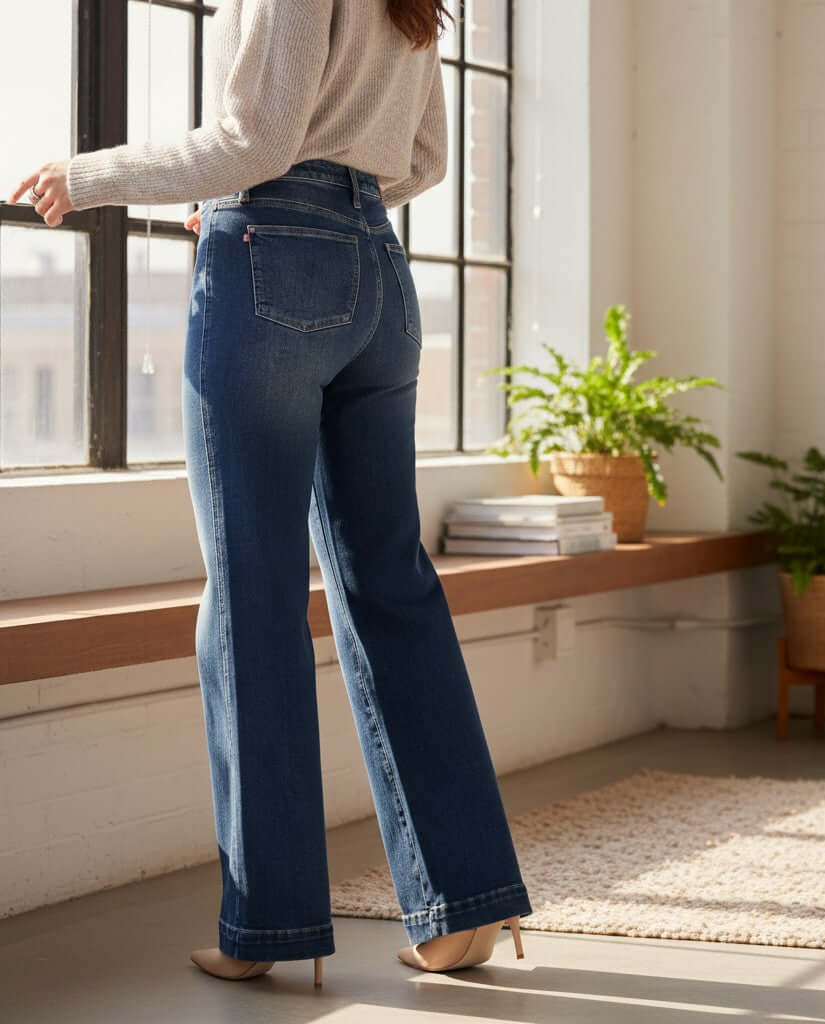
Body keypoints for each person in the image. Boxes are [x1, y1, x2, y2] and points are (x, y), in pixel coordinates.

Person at [8, 0, 532, 990]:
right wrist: (333, 201)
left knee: (255, 595)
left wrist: (84, 177)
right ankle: (464, 903)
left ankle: (271, 926)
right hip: (380, 276)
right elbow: (423, 161)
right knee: (391, 584)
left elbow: (255, 138)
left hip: (271, 267)